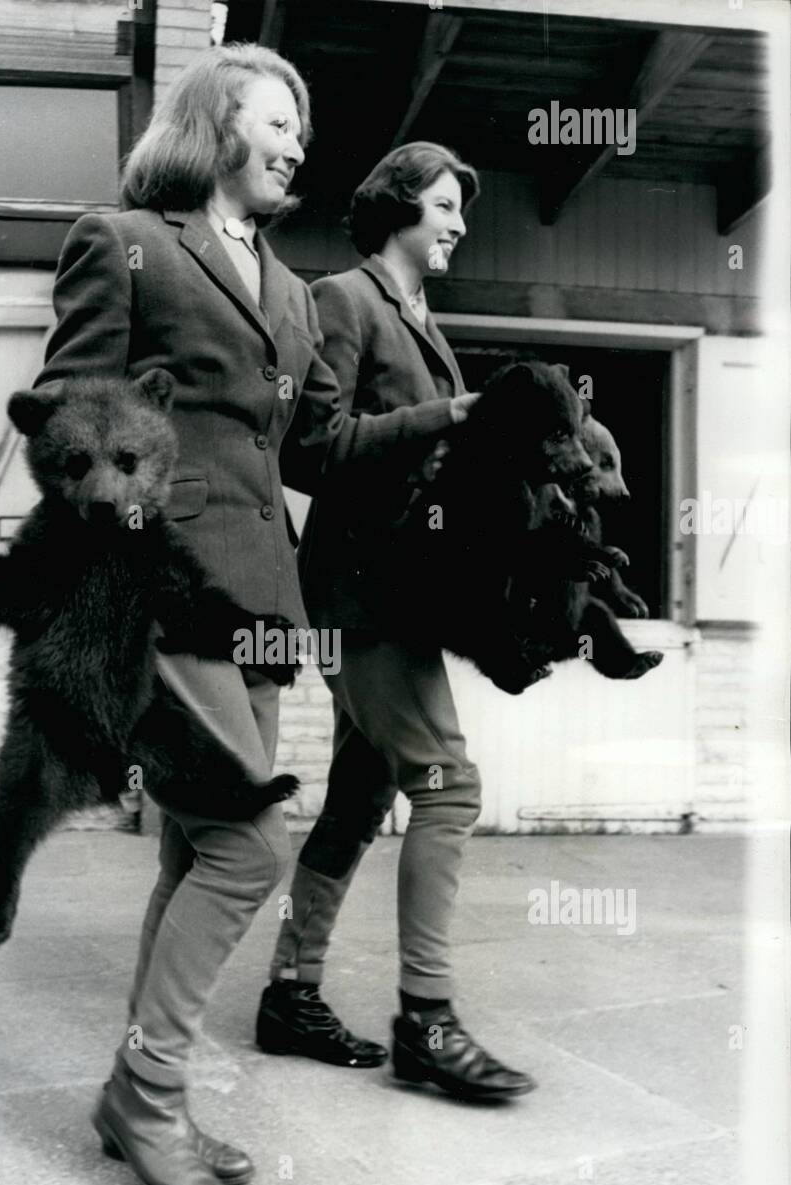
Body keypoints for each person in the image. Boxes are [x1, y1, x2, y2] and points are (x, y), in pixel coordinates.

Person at [33, 51, 475, 1185]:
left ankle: (141, 1101)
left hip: (264, 601)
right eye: (276, 121)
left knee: (193, 854)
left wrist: (442, 422)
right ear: (213, 122)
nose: (295, 143)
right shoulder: (122, 238)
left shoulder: (286, 287)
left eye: (302, 129)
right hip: (162, 592)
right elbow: (69, 415)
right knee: (247, 846)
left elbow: (310, 455)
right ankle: (149, 1087)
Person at [256, 143, 537, 1103]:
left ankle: (289, 994)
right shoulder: (343, 299)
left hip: (400, 594)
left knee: (356, 804)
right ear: (394, 209)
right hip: (358, 597)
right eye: (446, 206)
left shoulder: (421, 316)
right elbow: (310, 449)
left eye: (460, 208)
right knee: (450, 787)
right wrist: (449, 414)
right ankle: (427, 1020)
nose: (459, 223)